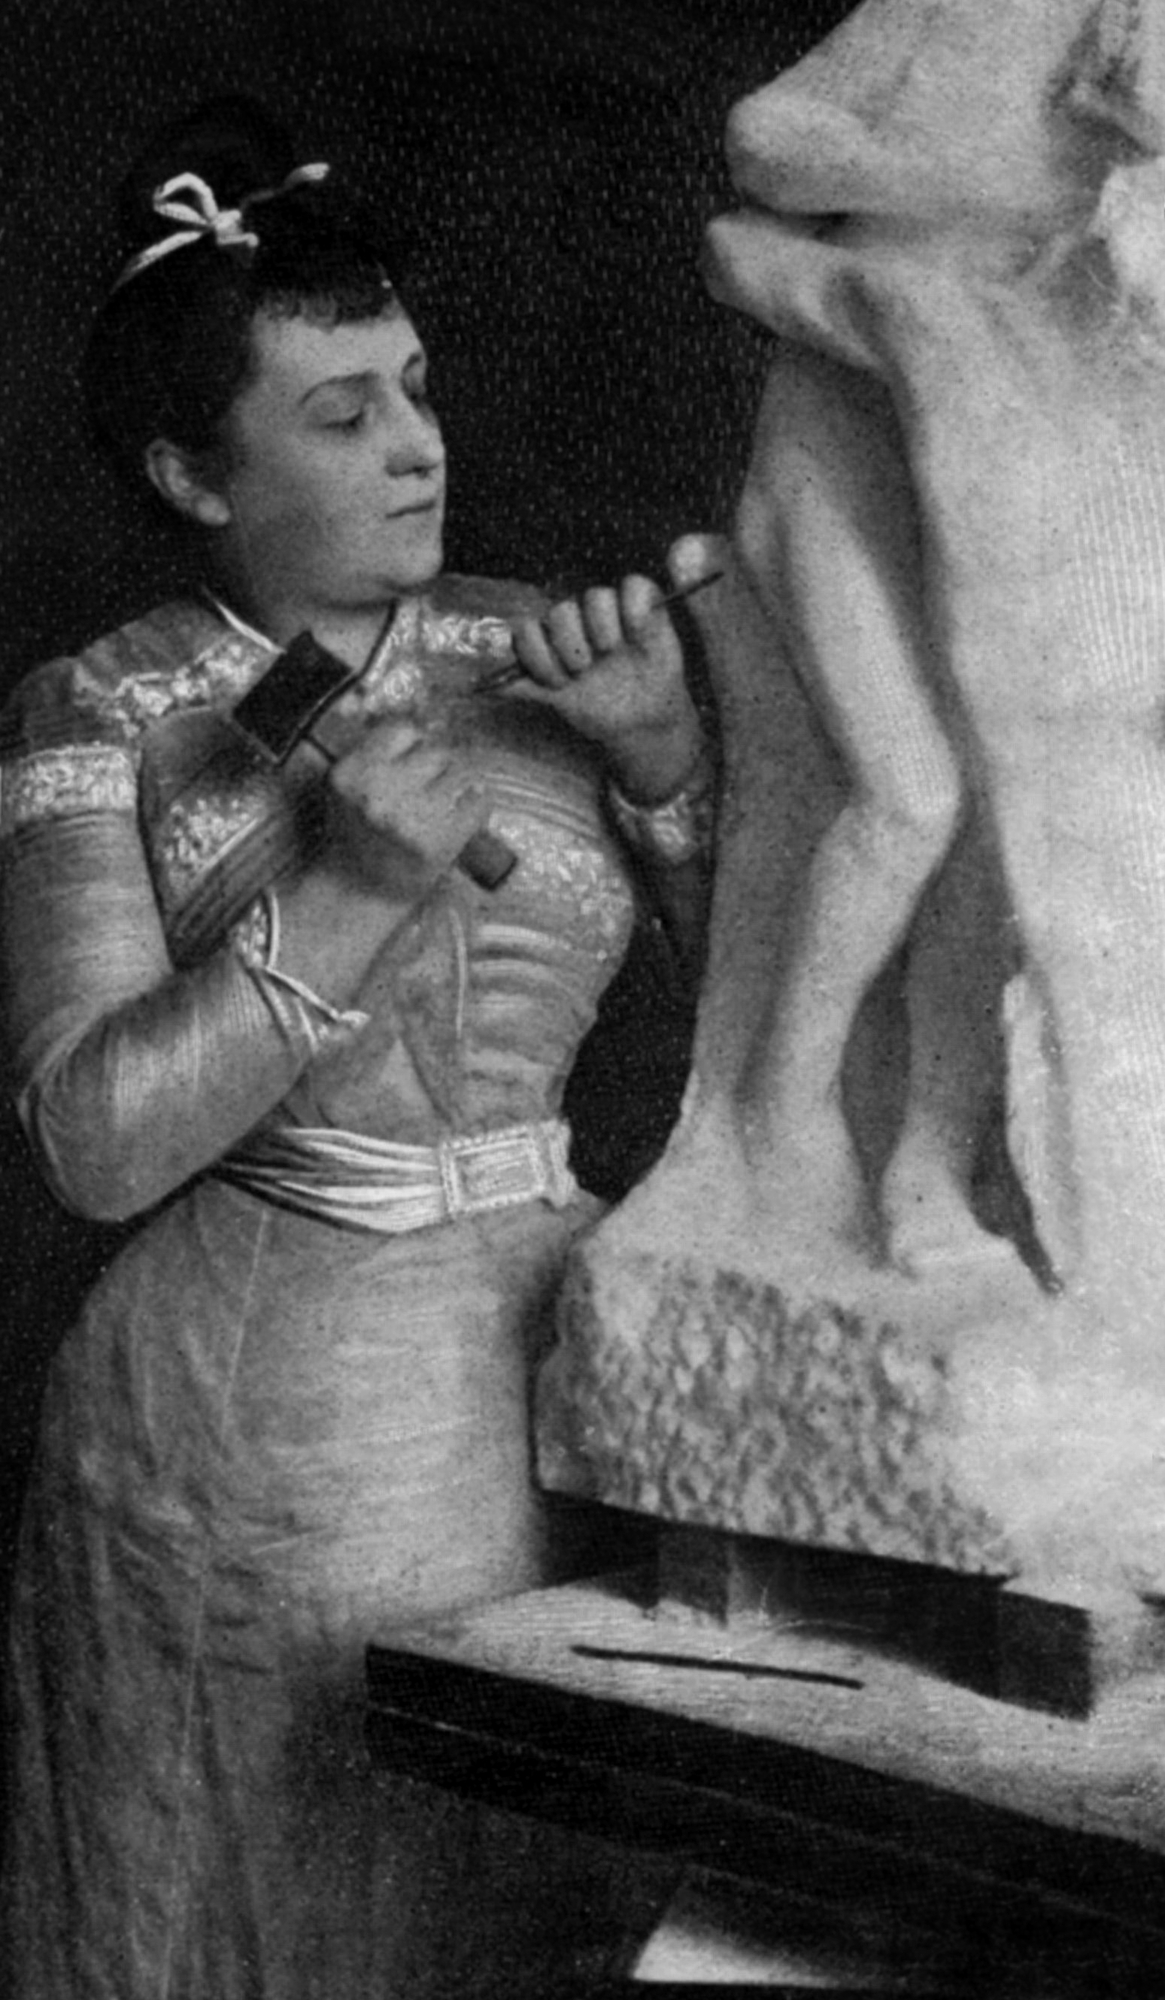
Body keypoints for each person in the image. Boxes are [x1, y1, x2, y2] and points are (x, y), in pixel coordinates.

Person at [0, 96, 716, 1998]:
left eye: (415, 389)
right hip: (261, 1429)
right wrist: (344, 892)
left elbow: (773, 1036)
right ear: (191, 471)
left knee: (548, 1901)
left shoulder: (543, 653)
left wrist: (664, 768)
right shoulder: (101, 712)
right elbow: (88, 1140)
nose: (418, 446)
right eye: (340, 415)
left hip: (573, 1388)